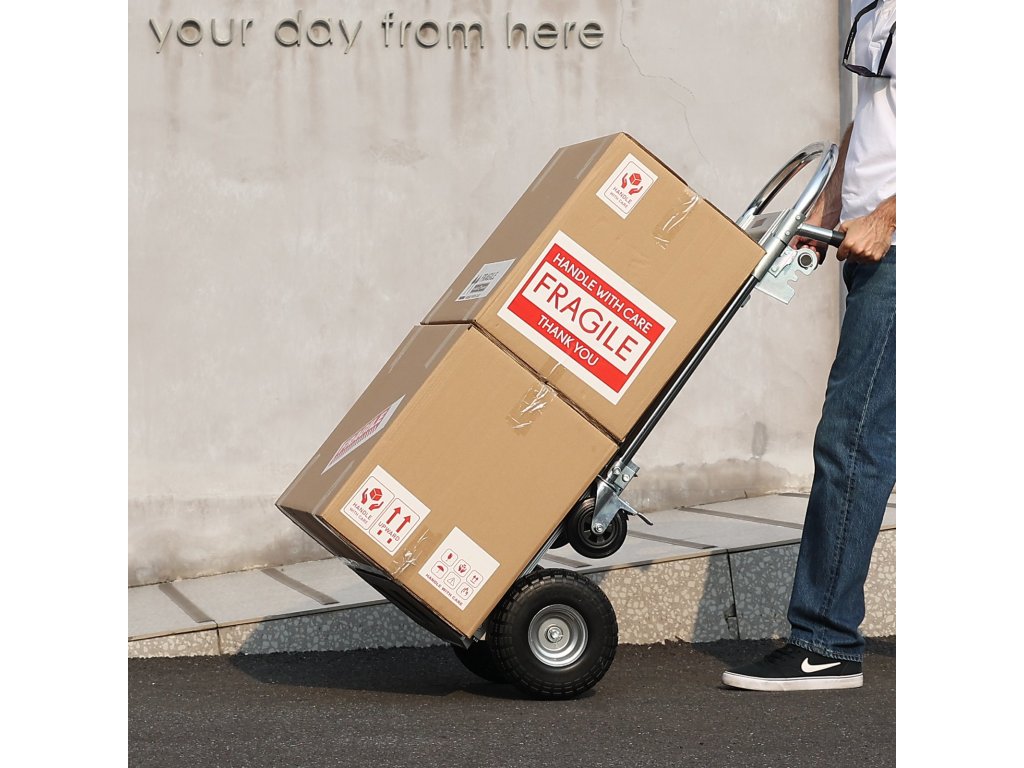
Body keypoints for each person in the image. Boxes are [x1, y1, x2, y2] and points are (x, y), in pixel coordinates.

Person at [722, 0, 896, 691]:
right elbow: (877, 119)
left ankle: (825, 641)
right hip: (871, 250)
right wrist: (828, 205)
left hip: (903, 254)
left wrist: (890, 216)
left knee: (853, 440)